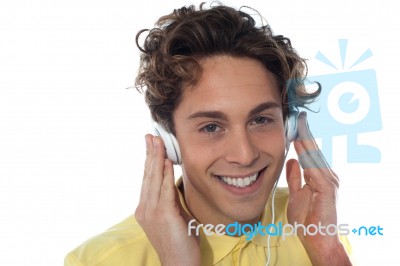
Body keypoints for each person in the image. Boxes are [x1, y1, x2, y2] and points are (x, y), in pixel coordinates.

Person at [65, 3, 353, 265]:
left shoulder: (314, 222)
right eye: (211, 127)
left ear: (289, 127)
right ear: (170, 140)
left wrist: (327, 250)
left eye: (261, 120)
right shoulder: (97, 260)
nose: (245, 155)